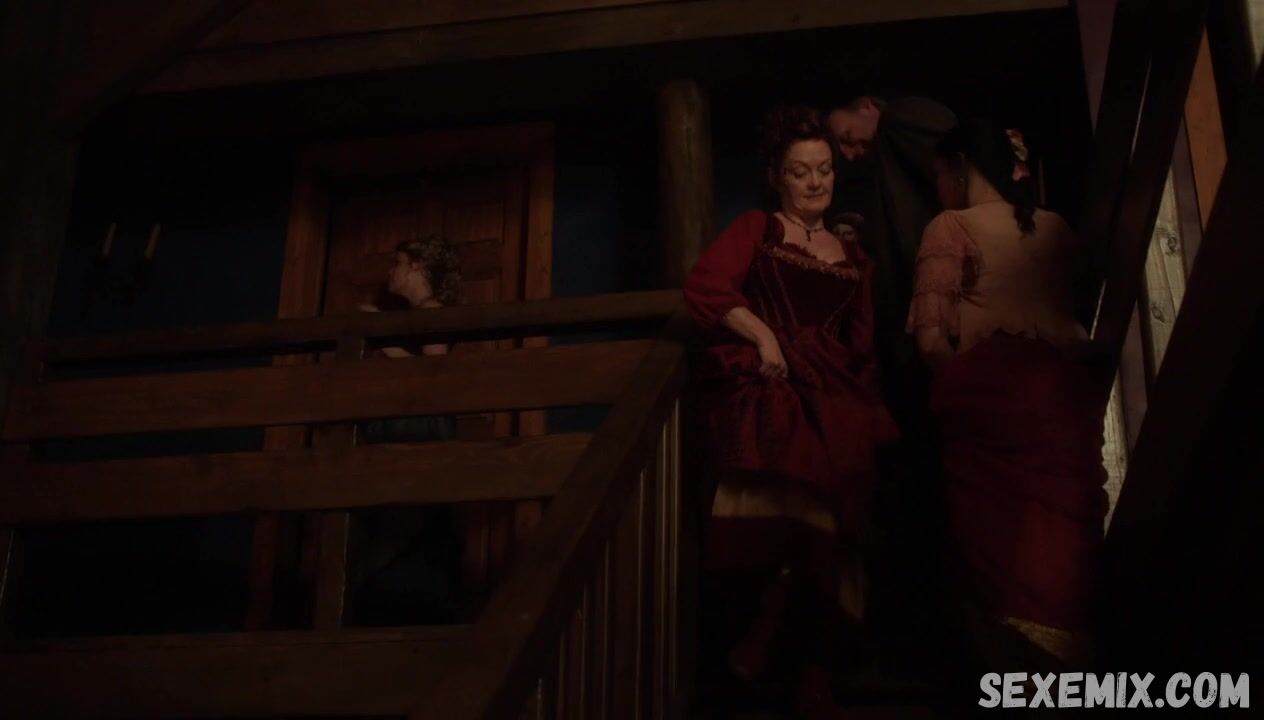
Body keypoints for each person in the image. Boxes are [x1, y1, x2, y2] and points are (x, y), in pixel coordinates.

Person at [684, 106, 897, 716]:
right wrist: (764, 337)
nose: (815, 182)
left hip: (836, 394)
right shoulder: (759, 228)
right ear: (778, 176)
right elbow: (705, 287)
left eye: (824, 170)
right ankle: (775, 645)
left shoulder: (852, 253)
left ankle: (811, 665)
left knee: (841, 520)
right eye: (801, 171)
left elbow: (862, 343)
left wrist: (861, 409)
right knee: (799, 517)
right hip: (777, 391)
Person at [907, 120, 1108, 668]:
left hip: (993, 400)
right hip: (1065, 402)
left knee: (996, 541)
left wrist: (967, 384)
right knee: (1065, 533)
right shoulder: (1057, 227)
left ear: (960, 169)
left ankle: (1015, 675)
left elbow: (930, 341)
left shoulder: (950, 226)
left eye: (940, 174)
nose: (939, 187)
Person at [353, 234, 466, 625]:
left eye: (397, 262)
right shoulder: (415, 313)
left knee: (409, 523)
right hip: (403, 430)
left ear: (418, 266)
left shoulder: (433, 310)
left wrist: (380, 335)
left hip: (420, 432)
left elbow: (431, 374)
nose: (391, 271)